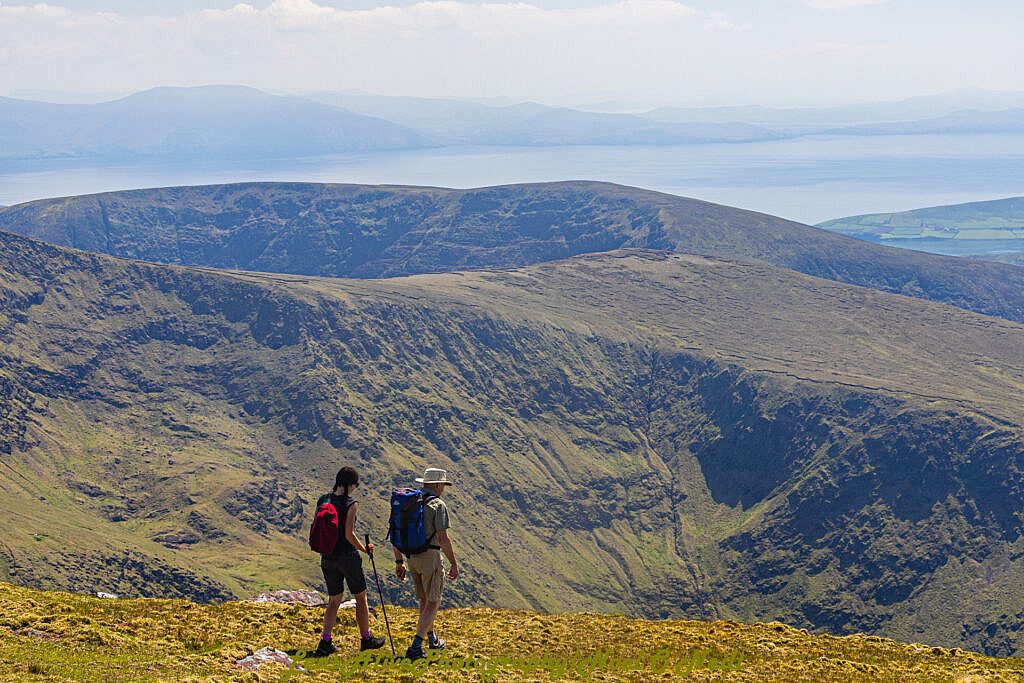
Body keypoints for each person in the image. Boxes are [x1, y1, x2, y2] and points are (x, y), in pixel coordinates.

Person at [314, 466, 386, 656]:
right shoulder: (351, 504)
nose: (355, 488)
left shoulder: (323, 500)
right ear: (349, 485)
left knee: (334, 599)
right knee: (361, 598)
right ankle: (366, 638)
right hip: (347, 557)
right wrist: (365, 549)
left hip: (327, 558)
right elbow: (349, 534)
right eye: (355, 484)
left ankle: (325, 641)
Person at [393, 467, 459, 660]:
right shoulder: (437, 505)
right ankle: (416, 645)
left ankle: (431, 638)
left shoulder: (411, 503)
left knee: (424, 599)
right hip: (430, 556)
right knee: (433, 601)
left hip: (412, 557)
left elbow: (396, 532)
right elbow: (443, 538)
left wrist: (399, 561)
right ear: (438, 485)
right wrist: (453, 563)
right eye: (443, 485)